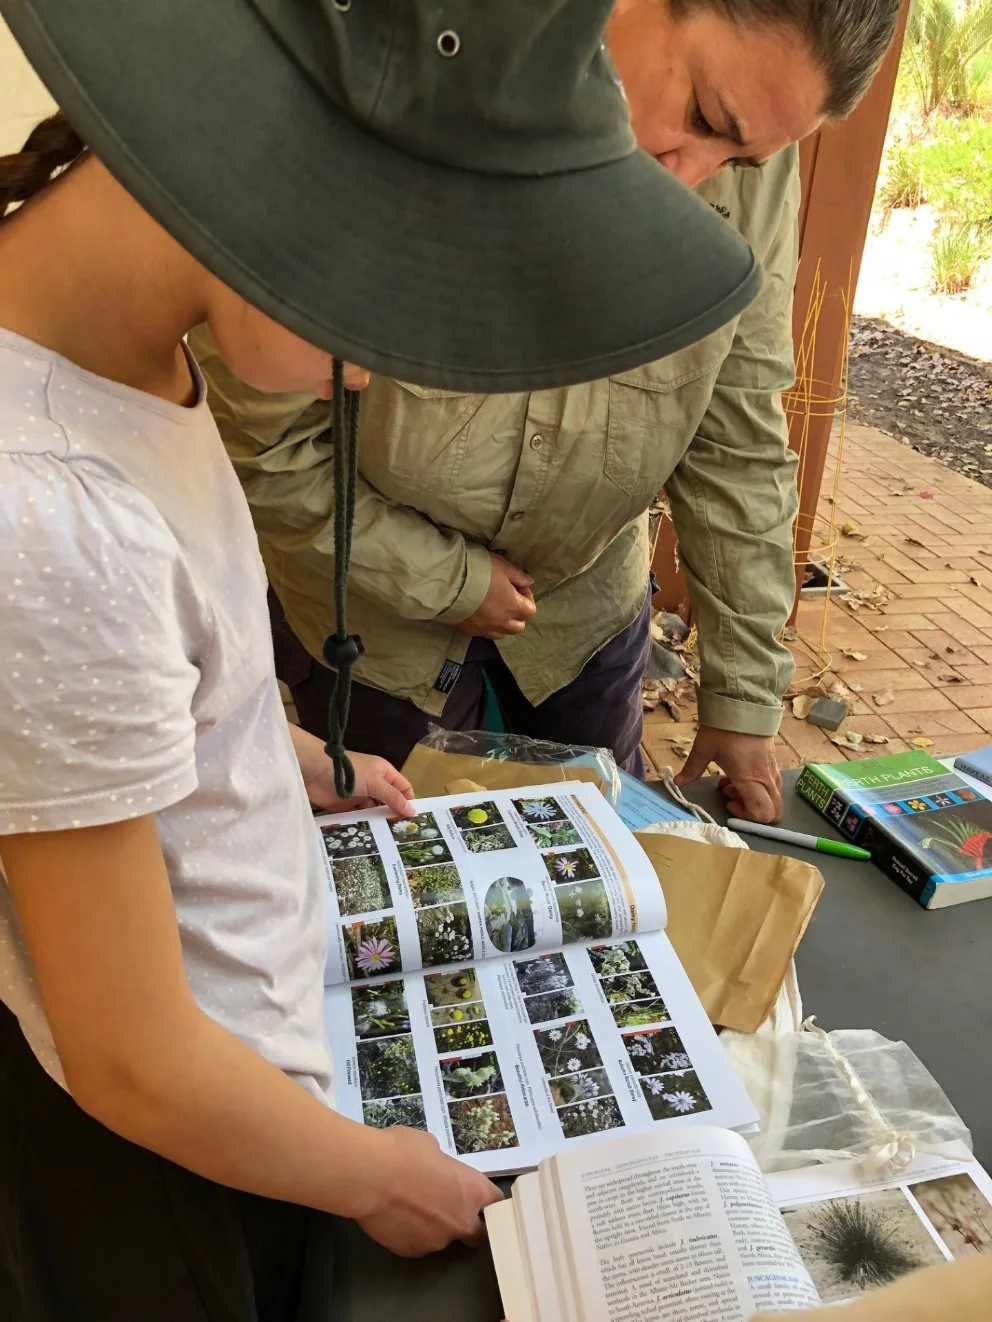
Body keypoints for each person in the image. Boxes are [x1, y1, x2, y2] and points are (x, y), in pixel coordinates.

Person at [0, 1, 771, 1317]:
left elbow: (124, 697)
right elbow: (128, 1054)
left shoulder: (129, 353)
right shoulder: (54, 523)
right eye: (383, 303)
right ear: (268, 168)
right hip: (172, 1163)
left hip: (251, 1063)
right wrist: (367, 1176)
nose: (367, 379)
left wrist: (278, 750)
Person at [193, 0, 903, 825]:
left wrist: (743, 692)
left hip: (586, 629)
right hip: (373, 628)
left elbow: (738, 425)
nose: (689, 179)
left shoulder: (738, 143)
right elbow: (263, 443)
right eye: (701, 116)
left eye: (739, 160)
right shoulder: (378, 85)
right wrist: (448, 580)